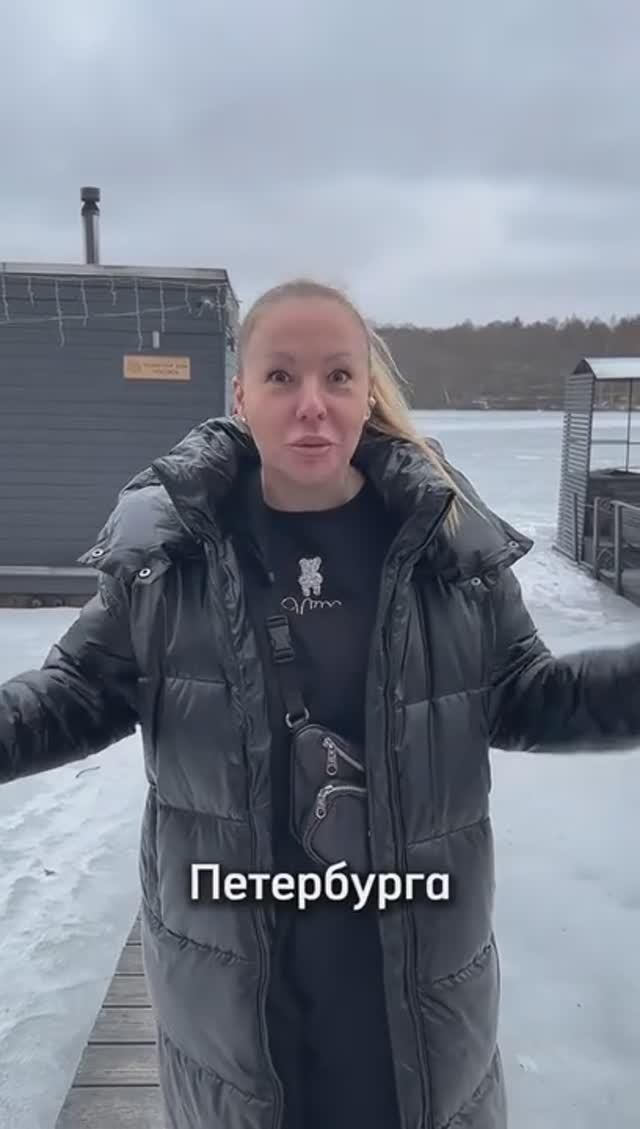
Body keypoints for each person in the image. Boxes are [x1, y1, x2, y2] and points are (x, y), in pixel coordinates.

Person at [1, 277, 639, 1129]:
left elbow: (533, 695)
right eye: (282, 376)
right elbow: (73, 694)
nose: (312, 403)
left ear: (366, 392)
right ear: (241, 394)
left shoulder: (445, 548)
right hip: (240, 1007)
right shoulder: (172, 559)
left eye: (338, 376)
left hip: (410, 1002)